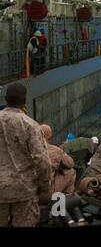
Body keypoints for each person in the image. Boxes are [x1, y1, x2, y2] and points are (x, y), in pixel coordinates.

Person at [0, 83, 51, 227]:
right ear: (24, 101)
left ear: (5, 99)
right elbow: (42, 161)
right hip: (24, 190)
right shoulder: (30, 125)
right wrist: (44, 189)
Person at [41, 125, 76, 194]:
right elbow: (71, 163)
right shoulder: (56, 150)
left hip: (30, 193)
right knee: (71, 171)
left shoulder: (29, 149)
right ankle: (68, 196)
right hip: (46, 193)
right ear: (50, 137)